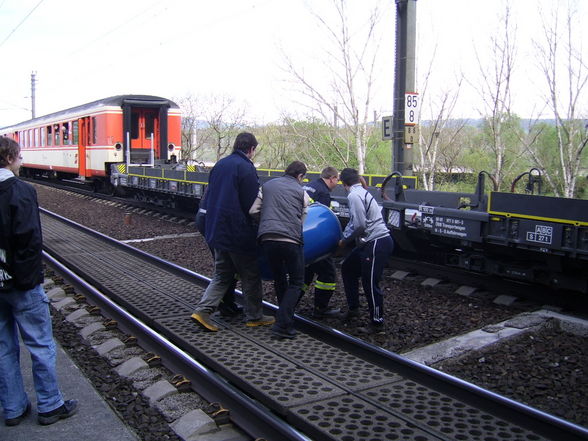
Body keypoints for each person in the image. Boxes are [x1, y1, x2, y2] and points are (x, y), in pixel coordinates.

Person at [0, 136, 78, 426]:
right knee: (40, 344)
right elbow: (30, 241)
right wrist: (28, 280)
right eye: (19, 157)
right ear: (9, 158)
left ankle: (13, 408)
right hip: (21, 284)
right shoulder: (21, 191)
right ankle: (49, 405)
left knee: (3, 347)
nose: (21, 162)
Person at [191, 132, 274, 332]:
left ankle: (202, 311)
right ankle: (254, 316)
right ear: (251, 149)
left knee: (222, 274)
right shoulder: (245, 168)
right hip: (237, 233)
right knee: (250, 274)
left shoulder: (220, 164)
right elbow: (251, 205)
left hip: (216, 229)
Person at [250, 161, 309, 339]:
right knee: (297, 282)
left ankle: (285, 320)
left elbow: (253, 210)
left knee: (279, 278)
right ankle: (282, 324)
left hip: (267, 239)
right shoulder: (302, 192)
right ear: (300, 176)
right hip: (290, 239)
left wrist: (266, 223)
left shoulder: (266, 186)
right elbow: (303, 219)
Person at [338, 168, 394, 334]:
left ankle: (377, 323)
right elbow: (356, 221)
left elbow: (360, 225)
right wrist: (345, 236)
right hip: (370, 242)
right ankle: (354, 308)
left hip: (377, 242)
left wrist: (345, 240)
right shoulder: (360, 192)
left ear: (344, 183)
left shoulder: (354, 195)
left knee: (370, 282)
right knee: (348, 268)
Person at [195, 189, 242, 318]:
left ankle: (226, 303)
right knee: (226, 270)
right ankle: (215, 306)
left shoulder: (219, 182)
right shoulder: (234, 181)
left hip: (206, 220)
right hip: (216, 224)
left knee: (225, 268)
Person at [301, 166, 341, 318]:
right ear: (331, 178)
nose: (337, 183)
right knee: (328, 275)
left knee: (306, 273)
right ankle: (320, 308)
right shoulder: (323, 193)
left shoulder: (310, 185)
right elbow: (322, 219)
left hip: (302, 238)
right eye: (337, 179)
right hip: (314, 239)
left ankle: (289, 304)